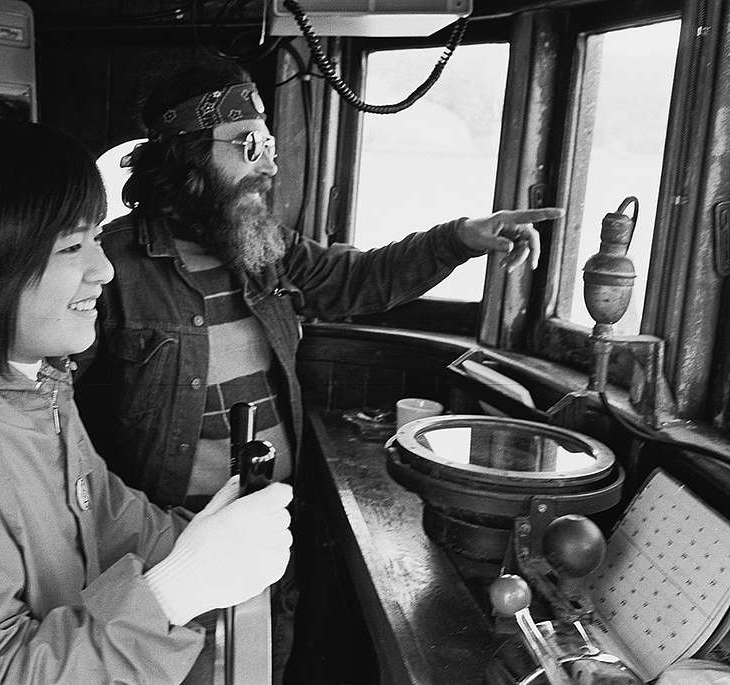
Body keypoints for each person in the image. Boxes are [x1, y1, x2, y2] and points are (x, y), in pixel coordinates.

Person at [72, 58, 563, 682]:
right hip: (165, 554)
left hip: (269, 538)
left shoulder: (262, 251)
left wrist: (461, 238)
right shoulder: (109, 268)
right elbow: (48, 413)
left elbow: (357, 278)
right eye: (249, 145)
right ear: (186, 158)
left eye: (269, 145)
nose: (269, 166)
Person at [0, 120, 293, 684]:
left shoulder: (32, 389)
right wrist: (171, 597)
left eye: (97, 238)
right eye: (73, 246)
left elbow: (104, 515)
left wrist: (208, 536)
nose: (102, 270)